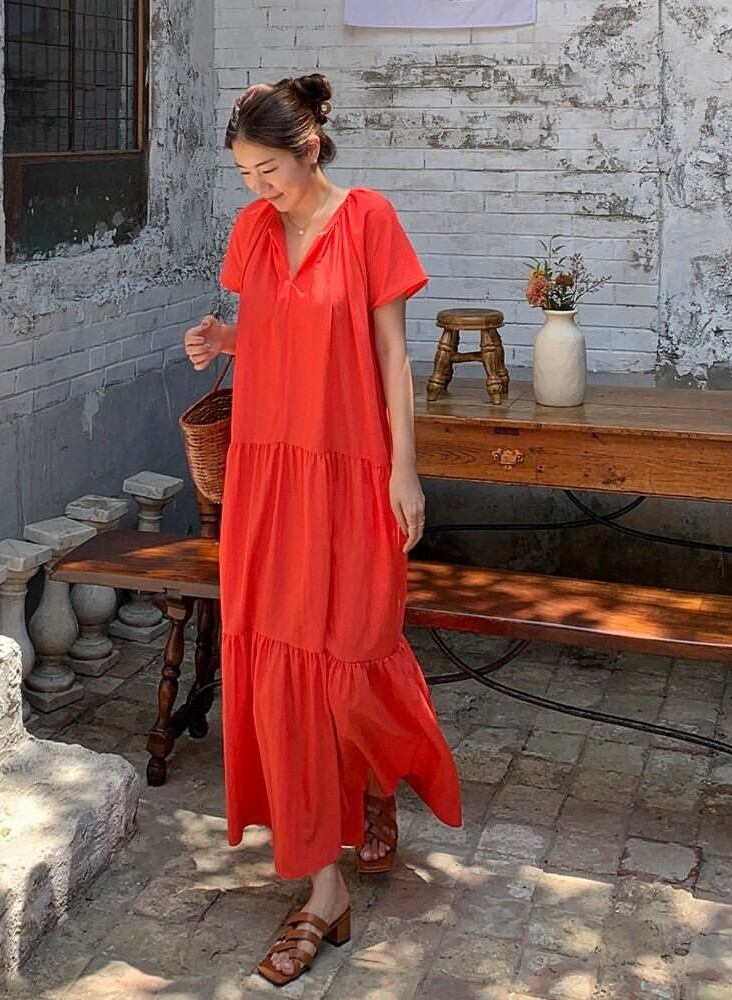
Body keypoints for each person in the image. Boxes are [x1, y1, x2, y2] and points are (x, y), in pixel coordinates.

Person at [182, 74, 463, 987]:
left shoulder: (369, 219)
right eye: (244, 173)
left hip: (349, 470)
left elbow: (389, 353)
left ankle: (377, 779)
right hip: (267, 472)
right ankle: (322, 886)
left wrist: (405, 470)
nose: (257, 186)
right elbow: (274, 329)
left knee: (356, 648)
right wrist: (222, 340)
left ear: (309, 149)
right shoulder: (252, 230)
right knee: (281, 663)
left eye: (267, 169)